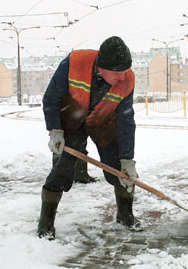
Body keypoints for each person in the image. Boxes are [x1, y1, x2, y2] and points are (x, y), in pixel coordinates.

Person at [38, 36, 141, 240]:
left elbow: (126, 120)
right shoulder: (74, 63)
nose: (122, 77)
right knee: (64, 168)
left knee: (119, 170)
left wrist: (127, 159)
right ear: (102, 67)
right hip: (73, 117)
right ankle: (46, 222)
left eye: (125, 72)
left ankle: (125, 214)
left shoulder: (127, 79)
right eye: (117, 73)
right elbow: (51, 97)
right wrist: (55, 130)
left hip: (104, 120)